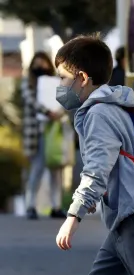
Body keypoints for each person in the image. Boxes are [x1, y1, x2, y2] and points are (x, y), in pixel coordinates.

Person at [54, 34, 134, 275]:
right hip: (127, 216)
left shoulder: (100, 115)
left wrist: (73, 216)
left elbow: (96, 169)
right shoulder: (112, 106)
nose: (60, 86)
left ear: (82, 78)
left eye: (63, 78)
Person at [22, 51, 67, 220]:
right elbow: (30, 101)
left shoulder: (57, 82)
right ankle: (30, 205)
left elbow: (65, 101)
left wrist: (58, 113)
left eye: (44, 63)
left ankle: (56, 206)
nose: (41, 67)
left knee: (56, 170)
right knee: (37, 169)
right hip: (36, 133)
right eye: (37, 64)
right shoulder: (28, 83)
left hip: (54, 131)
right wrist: (48, 112)